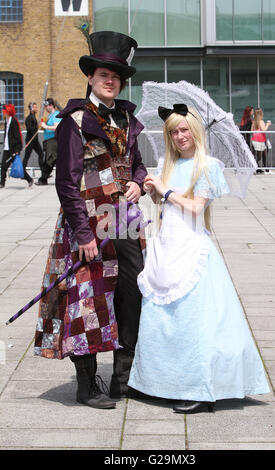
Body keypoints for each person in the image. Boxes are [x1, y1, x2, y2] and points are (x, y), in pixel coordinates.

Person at [128, 104, 270, 414]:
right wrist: (153, 188)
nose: (179, 136)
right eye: (173, 132)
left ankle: (200, 388)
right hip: (166, 243)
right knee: (164, 319)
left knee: (195, 320)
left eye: (184, 129)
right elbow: (162, 203)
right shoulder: (167, 163)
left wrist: (164, 191)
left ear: (195, 131)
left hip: (192, 245)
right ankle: (158, 383)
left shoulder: (208, 166)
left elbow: (195, 208)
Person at [34, 30, 147, 409]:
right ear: (91, 78)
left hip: (126, 222)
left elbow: (139, 165)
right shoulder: (76, 120)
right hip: (89, 223)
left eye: (115, 75)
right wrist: (83, 232)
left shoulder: (129, 120)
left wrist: (136, 182)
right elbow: (66, 182)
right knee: (88, 298)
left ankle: (123, 379)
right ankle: (87, 386)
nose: (110, 80)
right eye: (103, 74)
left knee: (131, 294)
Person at [35, 98, 62, 185]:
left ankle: (43, 179)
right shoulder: (50, 115)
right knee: (51, 159)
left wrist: (45, 126)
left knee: (50, 160)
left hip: (53, 140)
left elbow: (56, 127)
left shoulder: (56, 115)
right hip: (49, 140)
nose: (45, 108)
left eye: (47, 106)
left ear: (51, 105)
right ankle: (44, 178)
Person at [0, 104, 23, 188]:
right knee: (3, 166)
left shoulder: (13, 121)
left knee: (18, 167)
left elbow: (18, 136)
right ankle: (2, 183)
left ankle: (29, 179)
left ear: (8, 112)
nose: (3, 113)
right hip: (7, 148)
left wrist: (17, 149)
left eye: (4, 112)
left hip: (13, 149)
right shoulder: (7, 121)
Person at [23, 102, 44, 186]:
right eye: (35, 107)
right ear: (32, 108)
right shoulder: (29, 118)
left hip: (35, 141)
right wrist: (37, 127)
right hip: (30, 141)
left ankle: (44, 172)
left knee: (41, 154)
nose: (37, 109)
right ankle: (22, 170)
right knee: (26, 157)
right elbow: (29, 129)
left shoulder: (33, 117)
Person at [251, 108, 271, 174]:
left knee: (264, 154)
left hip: (255, 140)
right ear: (260, 114)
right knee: (259, 156)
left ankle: (267, 169)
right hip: (260, 140)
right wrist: (268, 124)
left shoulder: (254, 121)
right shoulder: (261, 121)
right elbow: (264, 130)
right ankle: (252, 166)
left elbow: (251, 131)